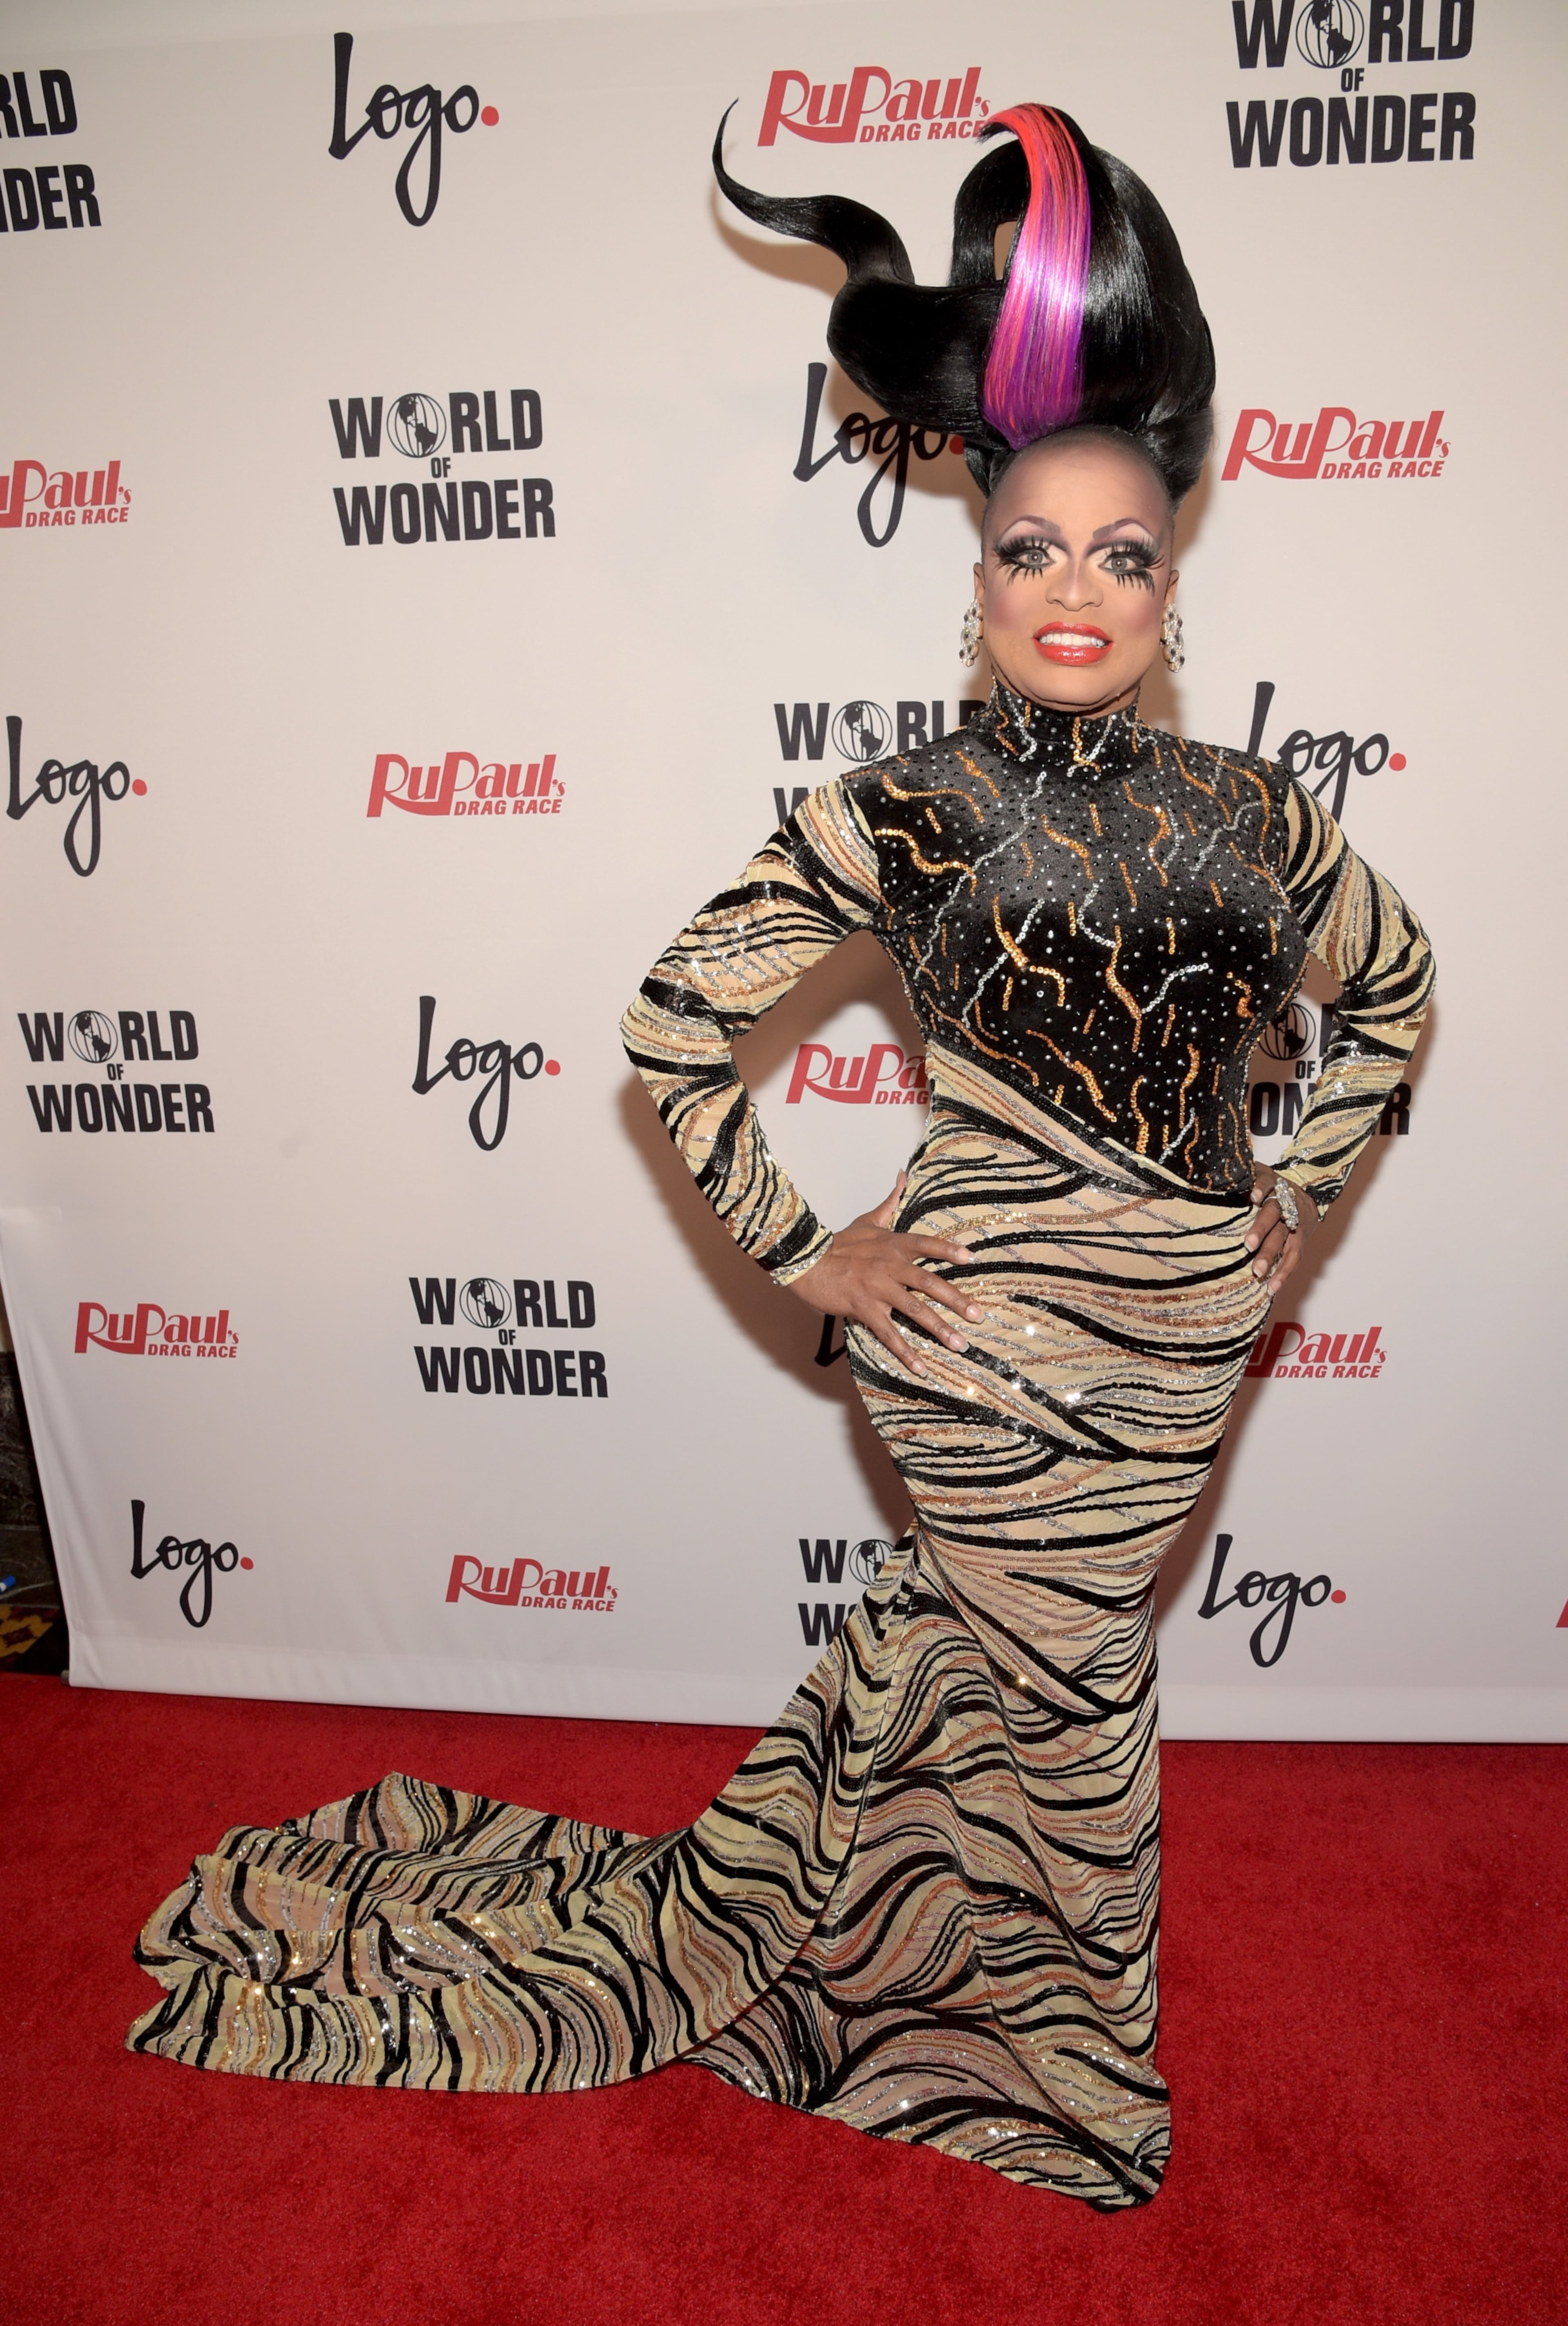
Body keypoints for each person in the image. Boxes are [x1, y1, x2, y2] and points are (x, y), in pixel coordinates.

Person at [127, 105, 1432, 2212]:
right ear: (980, 561)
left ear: (1173, 572)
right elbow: (673, 1029)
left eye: (1123, 552)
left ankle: (917, 1979)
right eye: (1032, 550)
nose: (1076, 591)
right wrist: (807, 1254)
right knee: (1080, 1701)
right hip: (983, 1344)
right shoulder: (912, 805)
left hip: (1179, 1347)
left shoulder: (1262, 817)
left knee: (1020, 1686)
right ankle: (1040, 2070)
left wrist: (1301, 1202)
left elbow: (1393, 988)